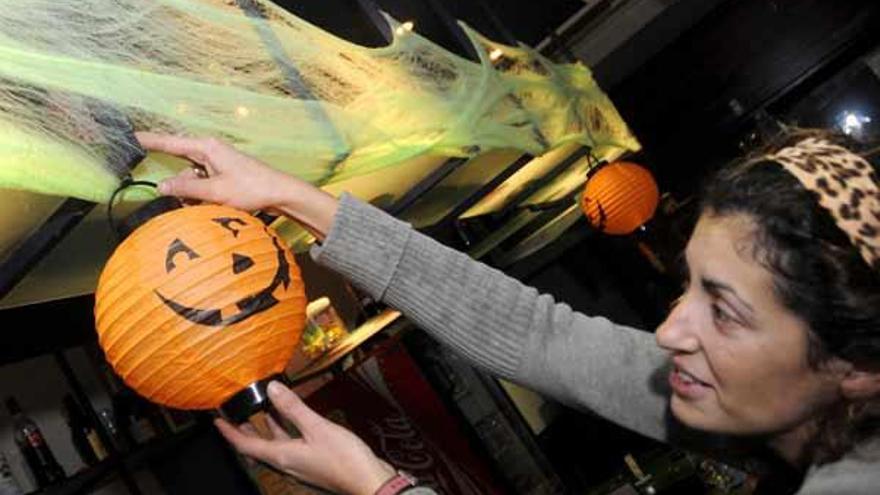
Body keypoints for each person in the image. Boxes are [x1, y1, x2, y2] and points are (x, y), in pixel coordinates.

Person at [134, 129, 880, 494]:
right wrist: (291, 195)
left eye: (725, 314)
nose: (668, 331)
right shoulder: (761, 401)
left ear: (857, 368)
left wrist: (377, 486)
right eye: (688, 287)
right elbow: (536, 331)